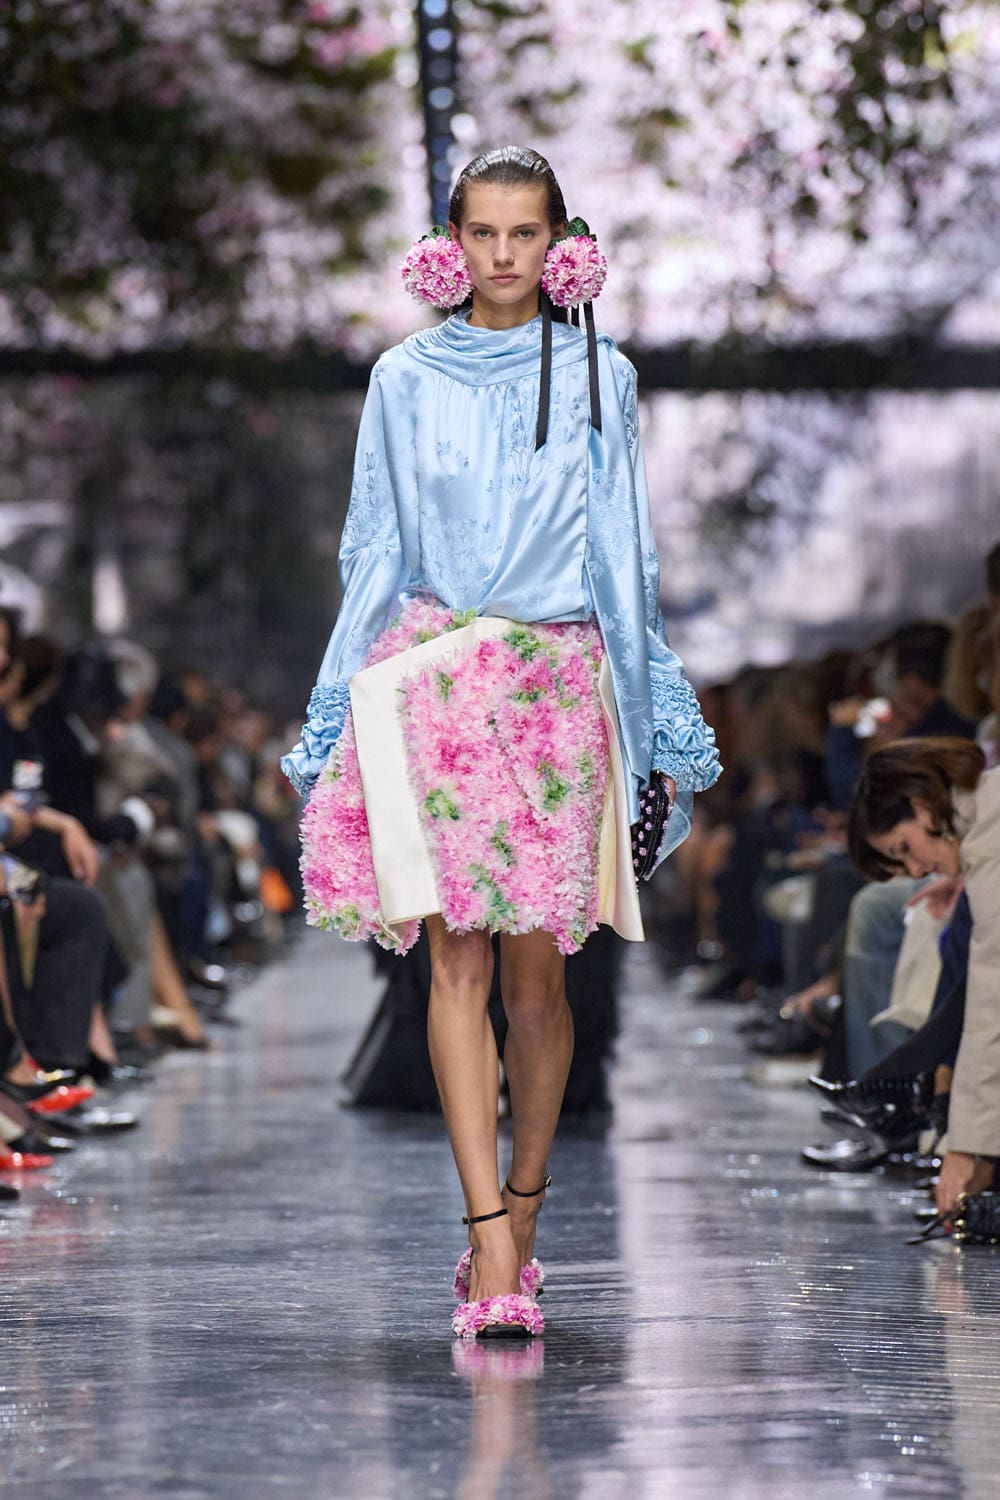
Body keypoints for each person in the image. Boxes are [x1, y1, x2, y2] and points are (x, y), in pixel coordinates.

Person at [281, 146, 721, 1338]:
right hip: (432, 679)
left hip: (557, 687)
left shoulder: (601, 373)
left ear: (561, 241)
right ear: (451, 241)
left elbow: (625, 553)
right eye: (483, 231)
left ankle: (524, 1209)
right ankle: (485, 1242)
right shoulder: (403, 377)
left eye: (526, 232)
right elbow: (374, 544)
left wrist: (648, 706)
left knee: (537, 982)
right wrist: (334, 702)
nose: (504, 254)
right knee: (454, 965)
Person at [847, 737, 999, 1218]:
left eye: (905, 848)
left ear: (921, 805)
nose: (914, 869)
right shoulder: (986, 816)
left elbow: (991, 1002)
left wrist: (967, 1147)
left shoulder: (989, 834)